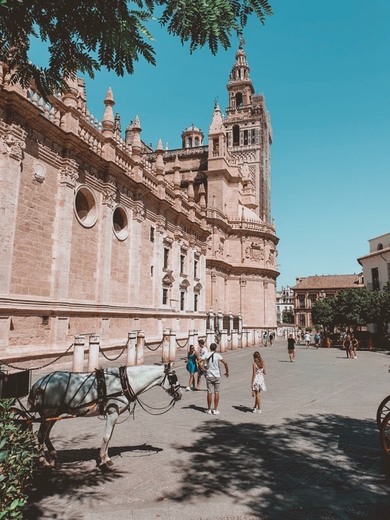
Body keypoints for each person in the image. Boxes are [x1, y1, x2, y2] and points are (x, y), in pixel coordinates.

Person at [200, 342, 229, 415]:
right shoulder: (218, 355)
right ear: (215, 348)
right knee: (216, 392)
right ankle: (215, 409)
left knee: (209, 392)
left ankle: (209, 409)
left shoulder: (206, 354)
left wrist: (203, 368)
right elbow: (225, 363)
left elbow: (198, 361)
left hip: (209, 375)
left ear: (210, 348)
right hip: (217, 375)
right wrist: (227, 372)